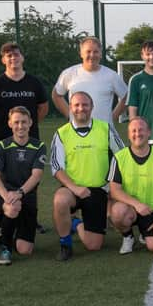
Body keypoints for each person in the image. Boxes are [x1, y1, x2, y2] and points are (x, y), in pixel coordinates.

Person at [0, 42, 49, 240]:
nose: (13, 59)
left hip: (29, 138)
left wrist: (27, 126)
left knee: (32, 178)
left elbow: (43, 107)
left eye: (16, 55)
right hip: (4, 137)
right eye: (8, 56)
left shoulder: (34, 82)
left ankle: (31, 218)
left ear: (22, 58)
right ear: (4, 60)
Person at [51, 91, 123, 261]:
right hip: (72, 189)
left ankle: (75, 223)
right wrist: (75, 188)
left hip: (98, 190)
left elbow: (122, 157)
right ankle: (65, 244)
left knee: (94, 245)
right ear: (70, 108)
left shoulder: (105, 129)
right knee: (60, 200)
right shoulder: (62, 133)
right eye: (76, 105)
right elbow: (56, 168)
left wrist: (114, 188)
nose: (81, 108)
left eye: (85, 105)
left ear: (92, 107)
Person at [108, 117, 153, 255]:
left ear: (149, 132)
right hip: (130, 209)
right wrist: (137, 204)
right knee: (117, 212)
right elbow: (114, 191)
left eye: (141, 130)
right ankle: (128, 236)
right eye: (133, 130)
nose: (137, 134)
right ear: (128, 134)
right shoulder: (119, 157)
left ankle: (146, 234)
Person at [0, 106, 46, 265]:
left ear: (30, 123)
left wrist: (20, 192)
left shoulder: (39, 146)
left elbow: (36, 175)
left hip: (27, 196)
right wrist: (6, 195)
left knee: (25, 250)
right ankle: (5, 248)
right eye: (16, 122)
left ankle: (9, 229)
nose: (20, 126)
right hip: (6, 195)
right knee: (13, 207)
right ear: (9, 124)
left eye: (23, 122)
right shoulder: (2, 145)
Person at [52, 36, 128, 125]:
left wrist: (112, 117)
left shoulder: (111, 75)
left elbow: (126, 97)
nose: (92, 55)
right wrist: (69, 114)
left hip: (103, 131)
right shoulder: (69, 73)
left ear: (100, 54)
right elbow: (56, 95)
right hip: (77, 130)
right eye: (88, 51)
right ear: (81, 53)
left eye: (95, 52)